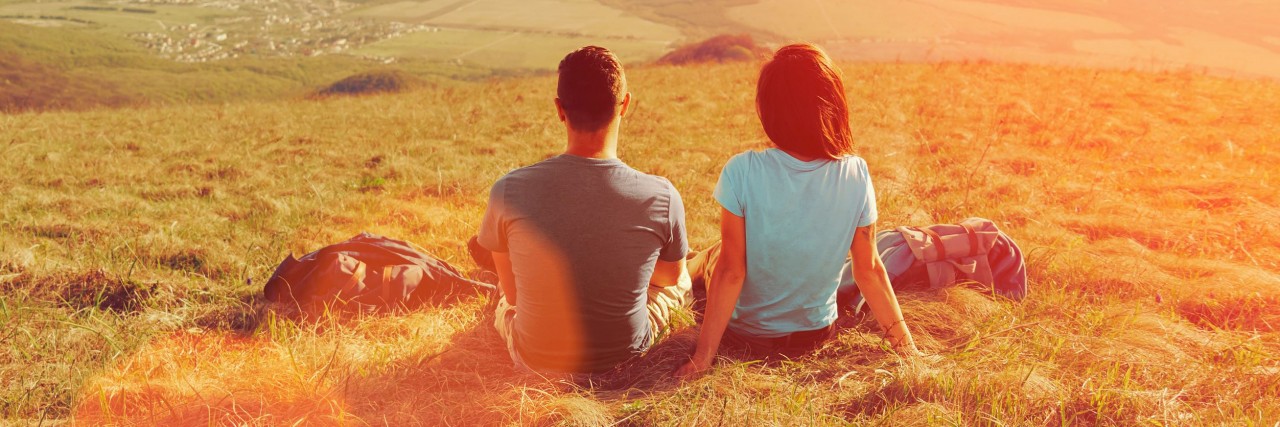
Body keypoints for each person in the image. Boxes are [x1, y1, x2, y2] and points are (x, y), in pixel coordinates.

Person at [674, 43, 921, 379]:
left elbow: (732, 272)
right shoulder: (856, 172)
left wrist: (703, 357)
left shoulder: (742, 170)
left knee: (718, 255)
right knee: (726, 253)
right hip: (816, 335)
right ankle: (690, 264)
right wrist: (909, 351)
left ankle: (681, 270)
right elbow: (870, 270)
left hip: (750, 337)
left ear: (770, 108)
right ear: (833, 105)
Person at [473, 46, 692, 374]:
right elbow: (668, 277)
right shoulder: (662, 196)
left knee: (505, 300)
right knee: (683, 276)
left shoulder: (508, 190)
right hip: (626, 359)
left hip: (535, 361)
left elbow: (515, 295)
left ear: (560, 110)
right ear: (625, 106)